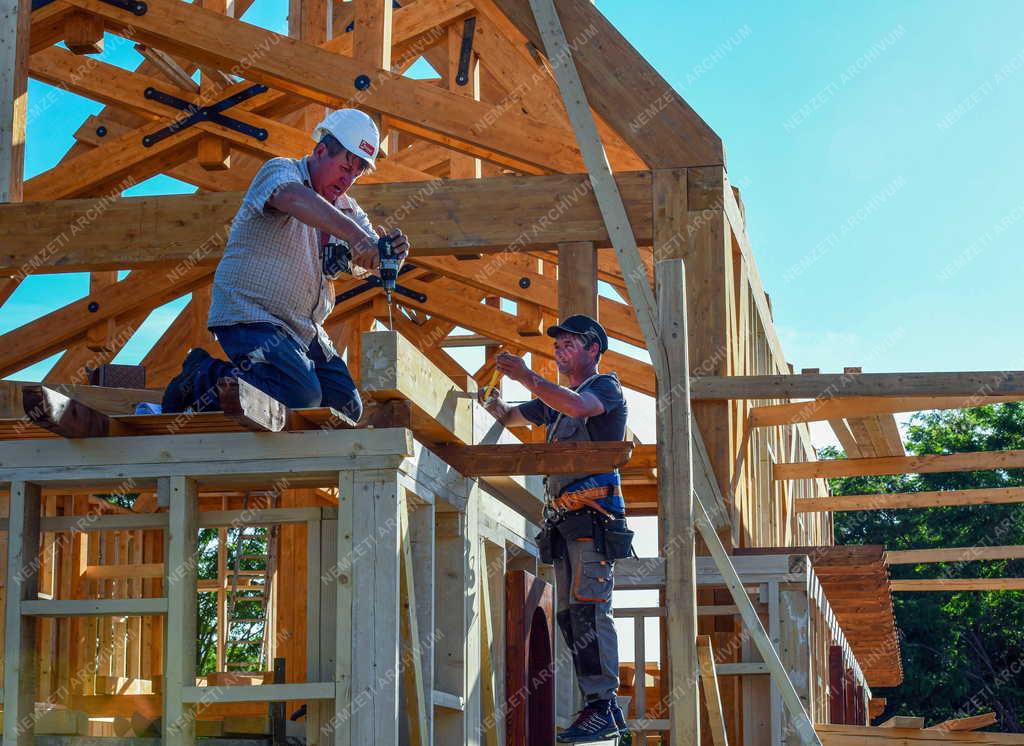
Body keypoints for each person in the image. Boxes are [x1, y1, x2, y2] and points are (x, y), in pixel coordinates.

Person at [161, 108, 409, 418]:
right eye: (344, 167)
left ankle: (250, 394)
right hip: (250, 314)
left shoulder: (349, 211)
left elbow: (369, 252)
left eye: (356, 173)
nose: (347, 179)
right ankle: (200, 377)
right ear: (320, 151)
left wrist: (388, 256)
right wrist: (357, 238)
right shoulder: (281, 171)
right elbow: (290, 198)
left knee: (346, 407)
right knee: (300, 395)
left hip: (301, 329)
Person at [480, 314, 633, 743]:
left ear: (593, 350)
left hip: (593, 520)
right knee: (569, 617)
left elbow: (578, 408)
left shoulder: (605, 388)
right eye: (558, 344)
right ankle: (598, 708)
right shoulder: (557, 399)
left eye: (570, 343)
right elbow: (511, 416)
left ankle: (604, 705)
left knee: (589, 608)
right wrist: (491, 400)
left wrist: (527, 375)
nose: (560, 349)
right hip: (566, 524)